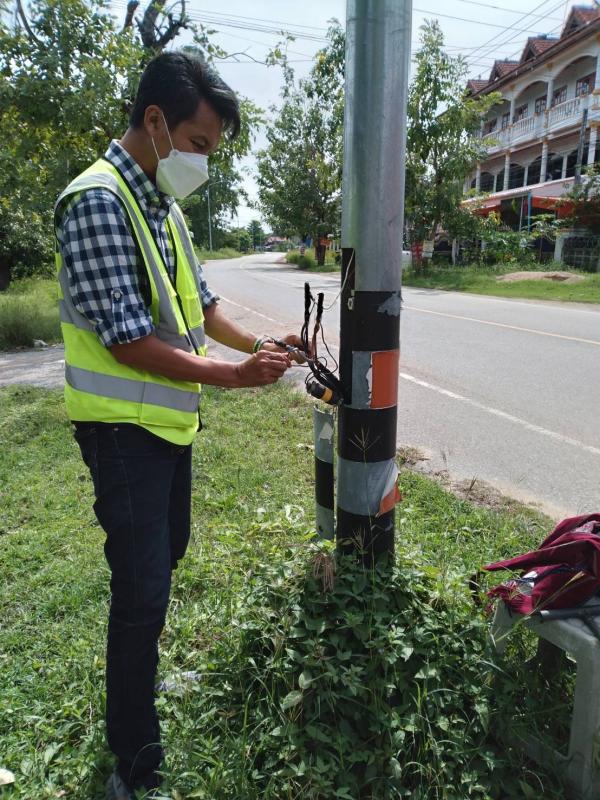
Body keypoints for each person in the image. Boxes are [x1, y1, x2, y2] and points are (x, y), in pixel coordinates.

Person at [54, 51, 302, 800]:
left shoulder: (160, 204)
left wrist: (262, 344)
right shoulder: (97, 201)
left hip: (166, 433)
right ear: (155, 121)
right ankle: (133, 763)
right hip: (123, 436)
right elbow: (130, 339)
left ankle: (142, 694)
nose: (202, 162)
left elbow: (203, 305)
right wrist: (232, 376)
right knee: (141, 593)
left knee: (164, 568)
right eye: (198, 144)